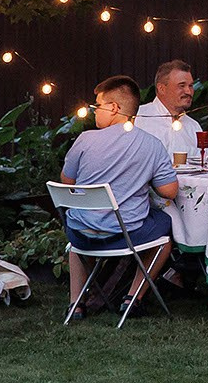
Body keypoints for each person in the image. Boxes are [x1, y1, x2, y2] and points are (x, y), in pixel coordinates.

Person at [59, 75, 179, 319]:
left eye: (97, 106)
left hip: (80, 234)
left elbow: (66, 183)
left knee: (76, 240)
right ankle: (132, 296)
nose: (94, 112)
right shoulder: (151, 145)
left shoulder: (84, 140)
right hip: (124, 236)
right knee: (165, 230)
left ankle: (76, 303)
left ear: (114, 108)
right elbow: (170, 192)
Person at [139, 59, 204, 161]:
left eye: (190, 86)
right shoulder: (139, 119)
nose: (188, 91)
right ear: (162, 89)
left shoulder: (193, 127)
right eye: (181, 85)